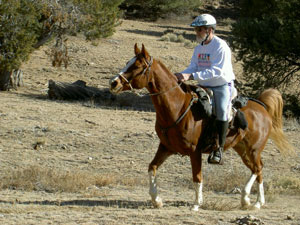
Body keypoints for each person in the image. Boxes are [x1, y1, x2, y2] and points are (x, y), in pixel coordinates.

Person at [175, 14, 235, 165]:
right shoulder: (198, 48)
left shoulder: (220, 46)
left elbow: (217, 71)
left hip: (222, 85)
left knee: (221, 111)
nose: (196, 32)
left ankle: (219, 149)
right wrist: (183, 73)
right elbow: (193, 66)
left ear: (209, 30)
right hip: (204, 85)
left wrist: (192, 75)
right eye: (196, 29)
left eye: (199, 29)